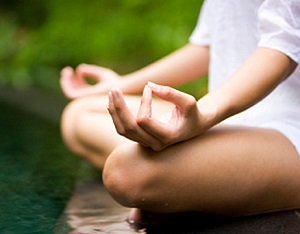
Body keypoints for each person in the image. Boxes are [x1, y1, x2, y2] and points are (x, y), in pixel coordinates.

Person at [60, 0, 300, 225]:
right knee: (79, 113)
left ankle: (168, 179)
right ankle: (177, 179)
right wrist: (122, 85)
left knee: (125, 172)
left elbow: (281, 48)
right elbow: (208, 45)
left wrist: (204, 115)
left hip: (289, 134)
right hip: (230, 118)